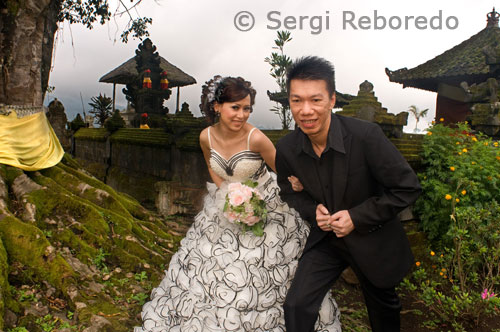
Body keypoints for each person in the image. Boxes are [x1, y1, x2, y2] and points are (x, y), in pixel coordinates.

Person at [134, 75, 342, 332]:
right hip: (225, 208)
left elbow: (286, 171)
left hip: (266, 208)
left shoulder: (256, 138)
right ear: (217, 107)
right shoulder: (205, 137)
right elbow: (213, 167)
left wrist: (298, 185)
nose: (242, 115)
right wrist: (228, 194)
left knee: (260, 270)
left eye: (247, 109)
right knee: (208, 269)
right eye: (236, 107)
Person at [275, 56, 422, 332]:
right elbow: (288, 191)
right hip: (328, 240)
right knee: (296, 305)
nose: (305, 111)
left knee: (383, 312)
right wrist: (312, 210)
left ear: (332, 100)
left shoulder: (366, 136)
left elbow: (407, 187)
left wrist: (357, 217)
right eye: (297, 101)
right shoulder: (286, 148)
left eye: (315, 100)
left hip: (371, 238)